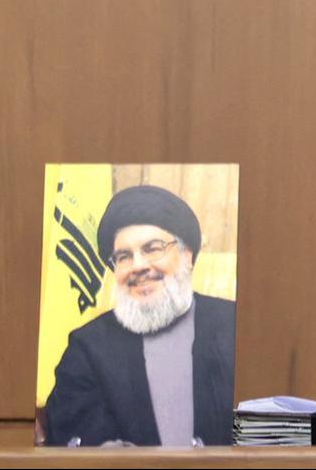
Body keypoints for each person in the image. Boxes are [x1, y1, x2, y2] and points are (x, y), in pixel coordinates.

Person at [43, 185, 236, 446]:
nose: (138, 266)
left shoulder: (235, 327)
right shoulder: (88, 347)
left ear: (187, 254)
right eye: (123, 256)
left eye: (153, 248)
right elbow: (78, 443)